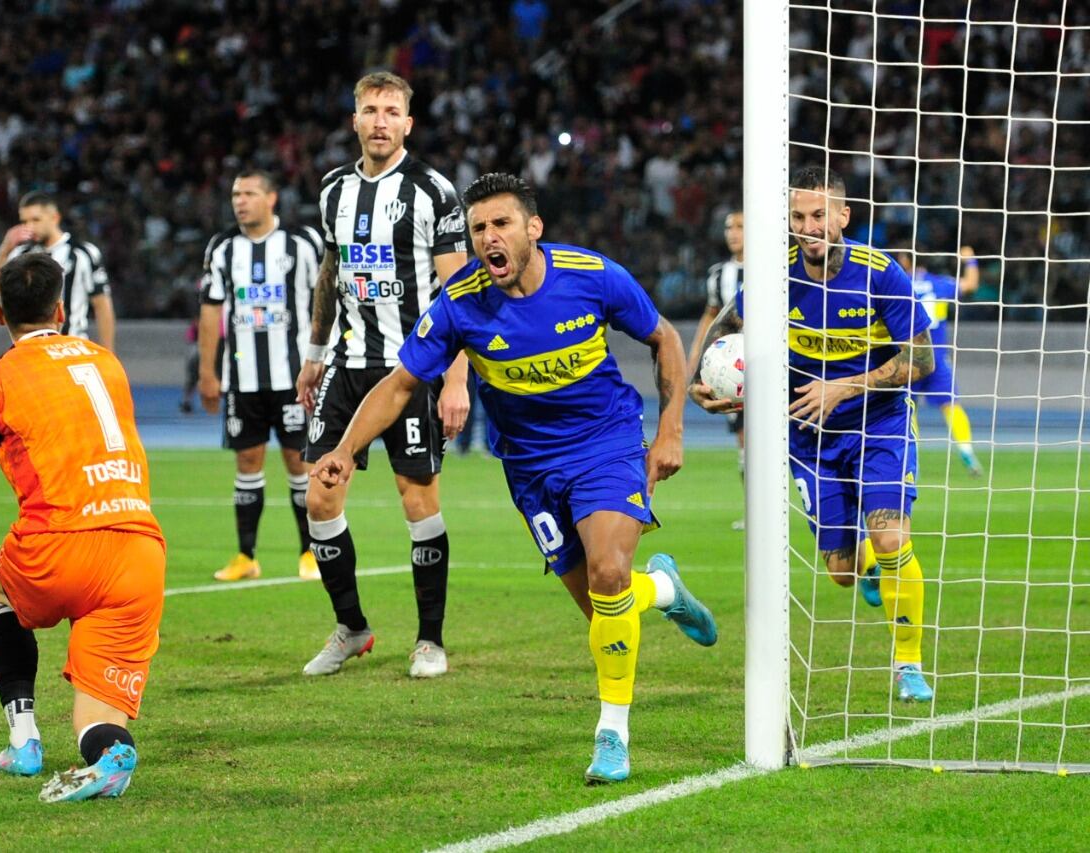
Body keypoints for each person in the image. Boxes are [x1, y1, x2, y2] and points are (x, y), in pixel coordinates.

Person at [312, 173, 717, 783]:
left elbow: (664, 339)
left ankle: (612, 733)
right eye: (477, 229)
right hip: (530, 468)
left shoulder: (592, 275)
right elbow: (399, 385)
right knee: (604, 607)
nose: (487, 239)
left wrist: (671, 430)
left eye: (500, 224)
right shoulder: (460, 303)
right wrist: (346, 446)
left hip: (605, 445)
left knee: (608, 573)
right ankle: (663, 590)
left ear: (534, 228)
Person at [0, 252, 165, 801]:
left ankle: (23, 742)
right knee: (95, 722)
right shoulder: (107, 363)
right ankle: (112, 756)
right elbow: (53, 413)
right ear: (61, 308)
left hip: (60, 549)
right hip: (139, 553)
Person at [689, 165, 936, 702]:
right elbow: (728, 323)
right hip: (808, 435)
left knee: (892, 537)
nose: (809, 227)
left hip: (879, 423)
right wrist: (700, 380)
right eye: (798, 217)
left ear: (843, 217)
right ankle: (866, 565)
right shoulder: (776, 276)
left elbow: (921, 359)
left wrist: (845, 387)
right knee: (842, 574)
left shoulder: (880, 273)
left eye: (820, 215)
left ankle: (908, 664)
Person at [295, 71, 472, 679]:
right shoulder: (331, 191)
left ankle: (430, 639)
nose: (379, 120)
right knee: (319, 493)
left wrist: (456, 378)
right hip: (346, 367)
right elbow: (330, 274)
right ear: (354, 120)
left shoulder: (433, 191)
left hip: (414, 366)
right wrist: (315, 352)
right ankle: (351, 626)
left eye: (391, 111)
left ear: (407, 124)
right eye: (369, 109)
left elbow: (459, 292)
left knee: (417, 500)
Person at [199, 170, 324, 582]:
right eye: (236, 193)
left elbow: (325, 301)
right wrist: (208, 372)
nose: (240, 201)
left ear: (271, 198)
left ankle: (310, 553)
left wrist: (323, 359)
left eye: (249, 193)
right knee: (247, 461)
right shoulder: (222, 248)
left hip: (294, 377)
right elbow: (211, 311)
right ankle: (245, 556)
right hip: (242, 378)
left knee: (298, 461)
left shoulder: (302, 245)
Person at [0, 191, 116, 351]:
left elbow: (102, 306)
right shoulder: (20, 254)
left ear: (54, 218)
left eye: (36, 220)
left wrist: (109, 354)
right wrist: (5, 249)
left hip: (72, 348)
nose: (29, 226)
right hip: (30, 351)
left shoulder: (83, 253)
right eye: (24, 221)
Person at [897, 247, 983, 476]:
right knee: (951, 405)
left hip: (907, 358)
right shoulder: (940, 284)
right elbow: (971, 285)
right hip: (936, 357)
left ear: (904, 259)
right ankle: (967, 453)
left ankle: (909, 461)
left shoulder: (897, 283)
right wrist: (970, 260)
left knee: (907, 408)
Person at [687, 210, 745, 528]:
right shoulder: (719, 274)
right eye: (728, 227)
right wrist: (697, 354)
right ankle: (755, 508)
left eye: (740, 226)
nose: (732, 233)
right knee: (744, 439)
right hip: (733, 374)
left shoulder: (777, 268)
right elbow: (711, 316)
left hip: (771, 367)